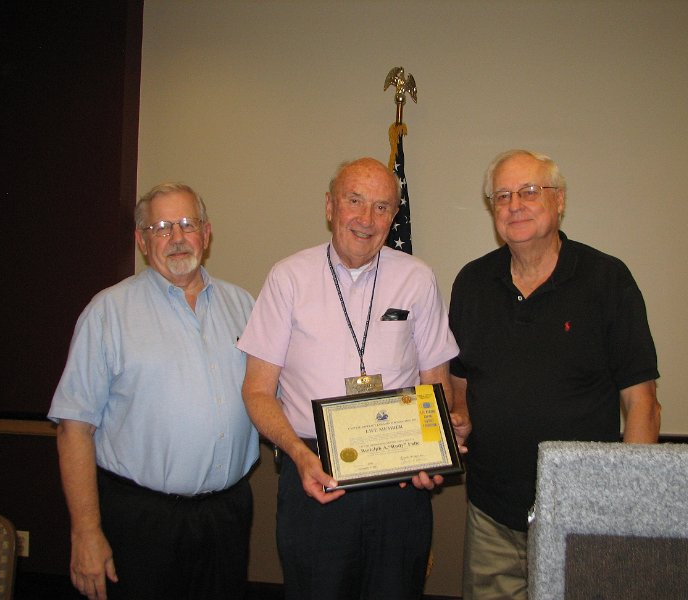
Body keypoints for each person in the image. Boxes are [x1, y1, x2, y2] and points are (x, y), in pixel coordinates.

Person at [238, 157, 467, 600]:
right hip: (314, 474)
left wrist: (432, 451)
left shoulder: (417, 278)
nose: (366, 219)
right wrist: (299, 457)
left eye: (382, 207)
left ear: (394, 217)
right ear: (330, 206)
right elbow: (257, 391)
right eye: (354, 201)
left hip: (399, 480)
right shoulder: (288, 278)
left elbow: (434, 384)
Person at [449, 149, 661, 600]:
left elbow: (641, 402)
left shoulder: (607, 279)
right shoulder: (471, 282)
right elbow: (460, 380)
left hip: (582, 514)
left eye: (529, 191)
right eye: (502, 196)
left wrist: (625, 501)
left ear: (559, 200)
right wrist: (459, 411)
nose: (515, 205)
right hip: (491, 514)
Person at [48, 183, 259, 600]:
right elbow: (74, 429)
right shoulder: (108, 313)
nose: (177, 238)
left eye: (187, 224)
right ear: (142, 240)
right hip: (141, 519)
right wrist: (86, 532)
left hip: (227, 515)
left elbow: (275, 394)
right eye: (161, 228)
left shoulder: (245, 306)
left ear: (207, 232)